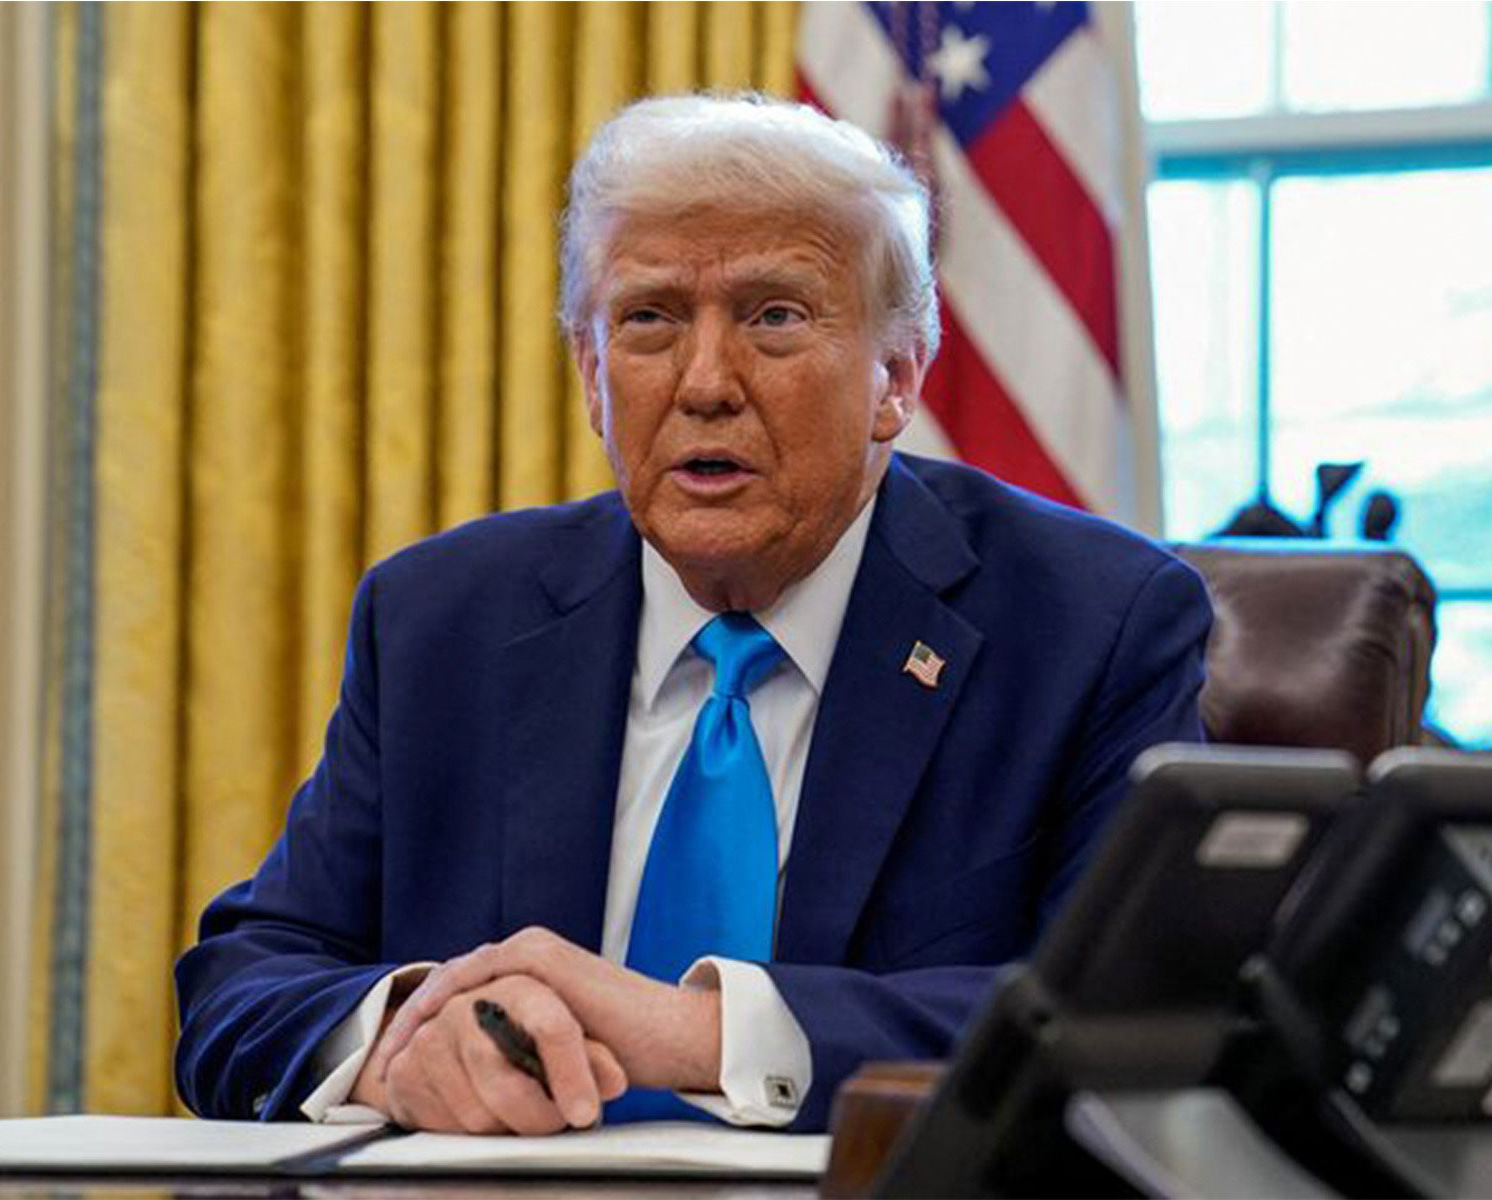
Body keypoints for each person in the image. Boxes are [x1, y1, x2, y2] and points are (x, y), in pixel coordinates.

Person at [174, 93, 1213, 1136]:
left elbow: (1129, 1023)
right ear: (591, 375)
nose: (705, 382)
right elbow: (239, 984)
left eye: (774, 316)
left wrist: (703, 1034)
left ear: (895, 377)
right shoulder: (443, 620)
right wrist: (405, 1043)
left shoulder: (1090, 623)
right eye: (649, 320)